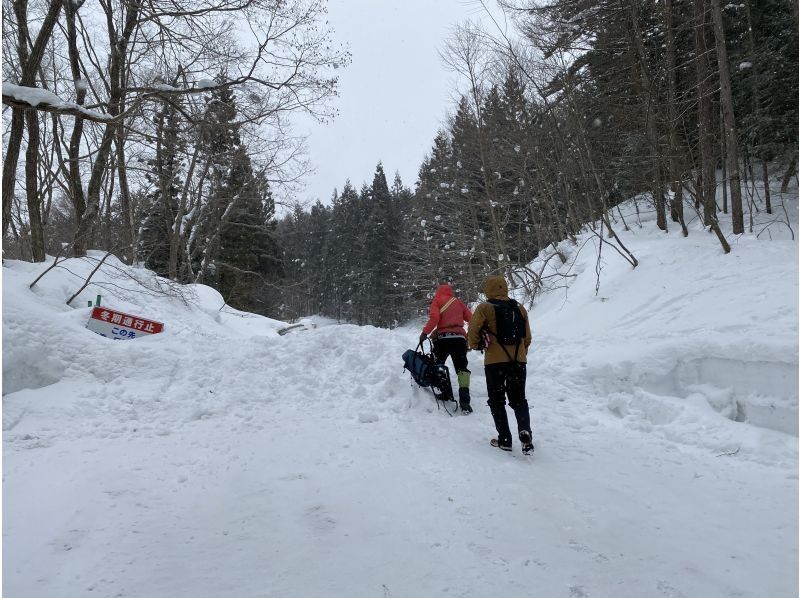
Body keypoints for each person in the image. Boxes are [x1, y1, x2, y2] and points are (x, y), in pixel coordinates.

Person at [467, 275, 534, 453]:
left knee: (497, 401)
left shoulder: (484, 307)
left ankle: (505, 439)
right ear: (504, 288)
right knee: (519, 399)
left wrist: (476, 345)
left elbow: (473, 330)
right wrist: (520, 352)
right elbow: (527, 337)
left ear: (488, 289)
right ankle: (525, 432)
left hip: (495, 363)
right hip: (518, 362)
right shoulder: (519, 308)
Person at [419, 284, 473, 413]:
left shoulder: (437, 301)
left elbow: (435, 318)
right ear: (450, 292)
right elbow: (471, 319)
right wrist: (469, 337)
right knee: (462, 370)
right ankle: (465, 402)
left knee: (438, 365)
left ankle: (446, 392)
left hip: (443, 340)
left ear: (438, 292)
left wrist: (425, 333)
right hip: (459, 339)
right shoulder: (458, 302)